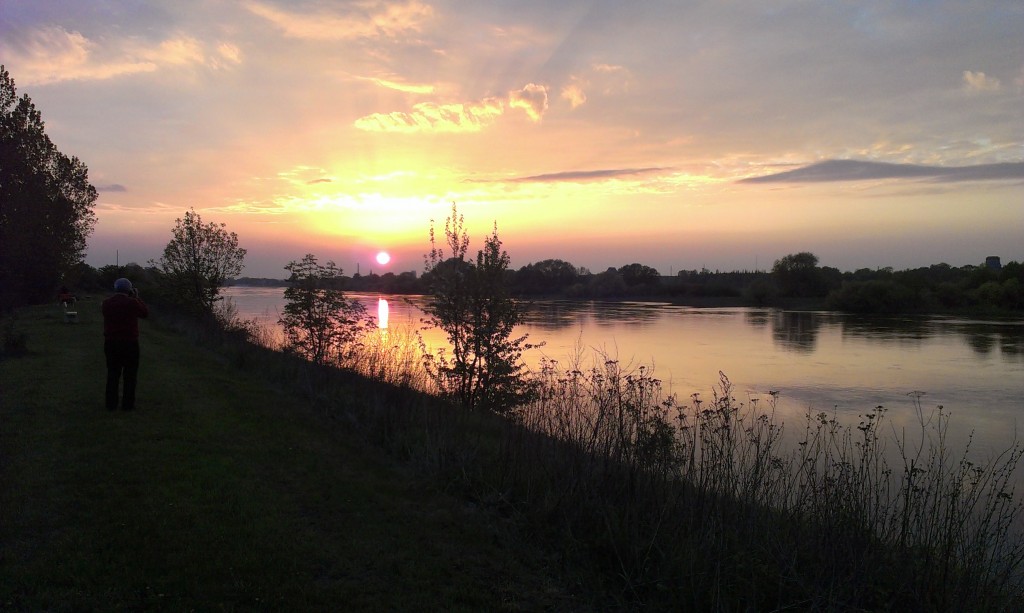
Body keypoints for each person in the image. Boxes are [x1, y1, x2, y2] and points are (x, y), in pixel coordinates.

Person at [102, 278, 148, 410]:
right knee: (130, 375)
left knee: (113, 374)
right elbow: (145, 313)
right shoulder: (132, 303)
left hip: (111, 343)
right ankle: (127, 405)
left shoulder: (106, 303)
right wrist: (137, 298)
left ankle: (110, 405)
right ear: (129, 290)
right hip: (130, 343)